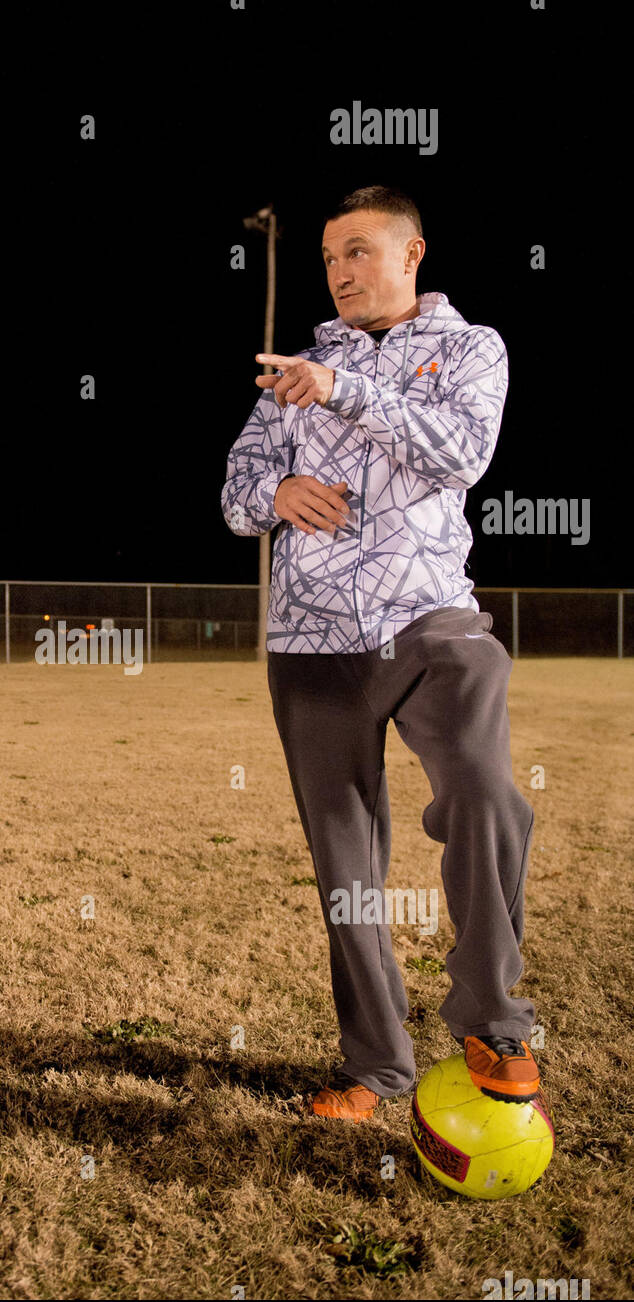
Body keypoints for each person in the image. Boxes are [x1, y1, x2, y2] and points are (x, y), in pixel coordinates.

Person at [221, 185, 540, 1123]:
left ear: (413, 255)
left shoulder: (471, 348)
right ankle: (378, 1068)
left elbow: (463, 453)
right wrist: (276, 490)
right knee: (346, 867)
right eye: (330, 257)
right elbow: (235, 491)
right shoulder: (297, 368)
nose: (342, 271)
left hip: (431, 619)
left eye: (360, 251)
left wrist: (348, 390)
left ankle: (492, 1018)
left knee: (486, 790)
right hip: (311, 641)